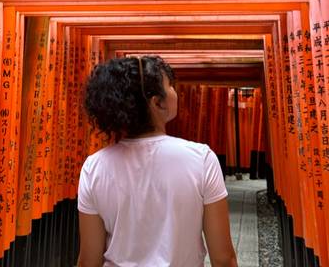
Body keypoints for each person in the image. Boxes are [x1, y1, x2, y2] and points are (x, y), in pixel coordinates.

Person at [77, 55, 238, 267]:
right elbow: (223, 258)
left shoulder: (94, 167)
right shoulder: (201, 159)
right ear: (157, 102)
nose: (175, 91)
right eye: (170, 85)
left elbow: (89, 260)